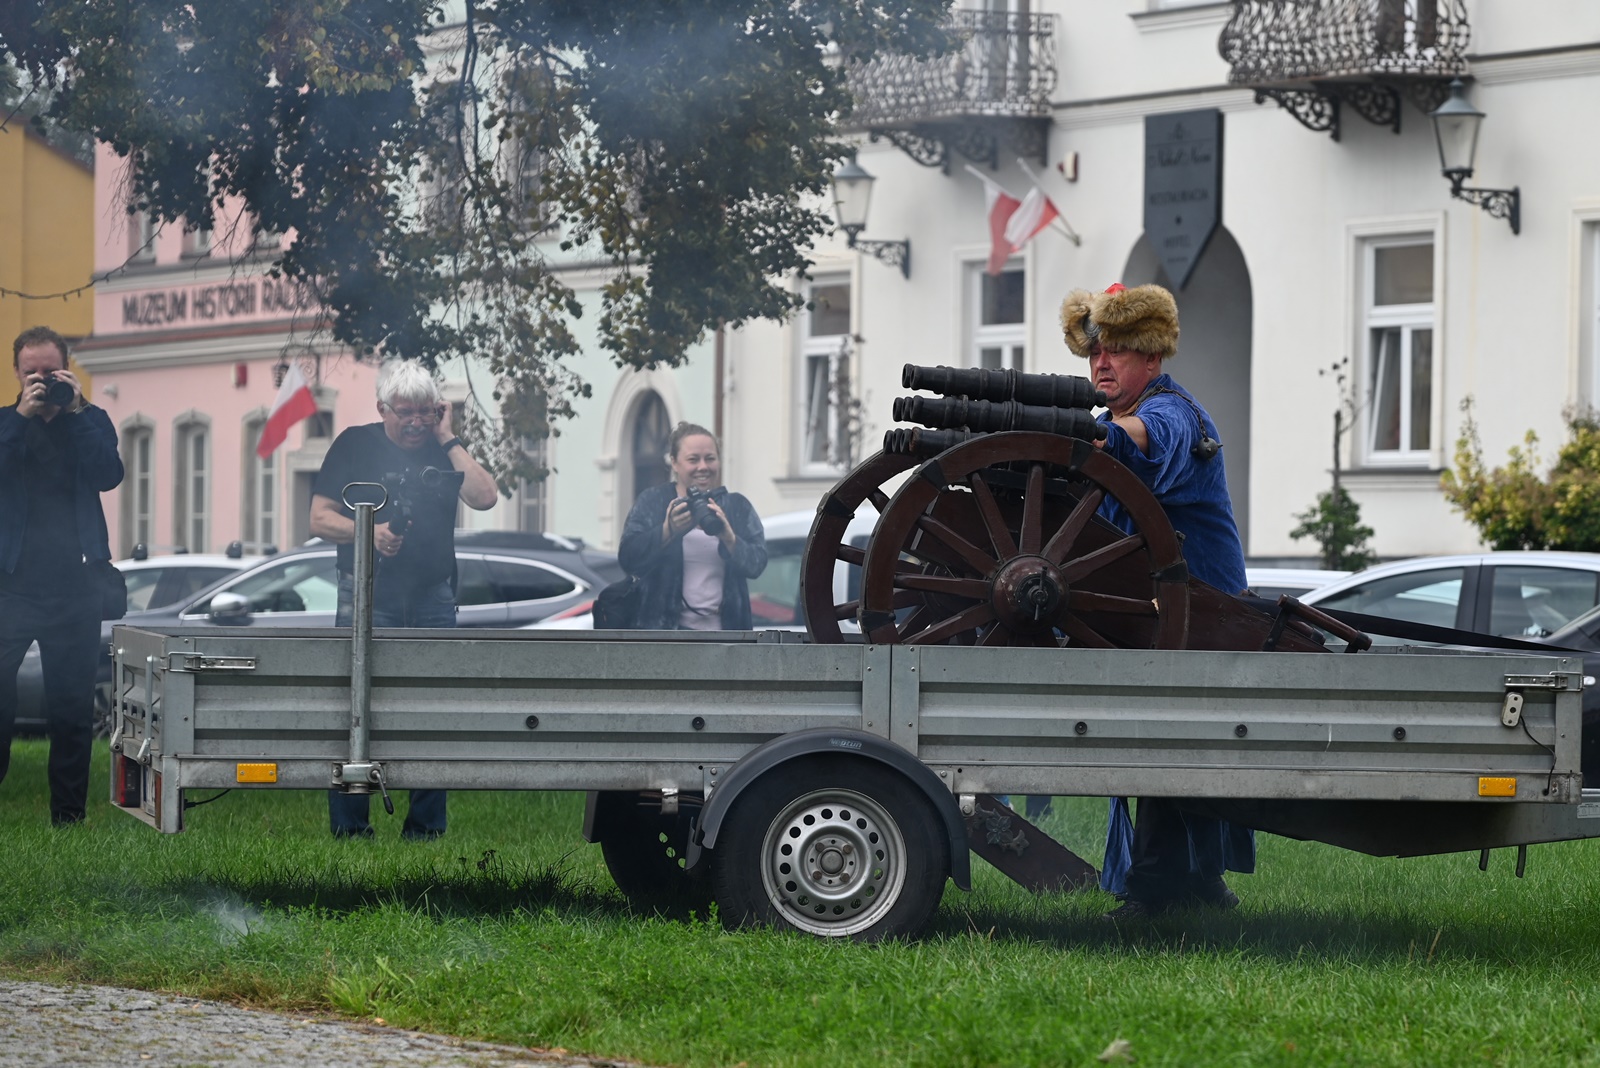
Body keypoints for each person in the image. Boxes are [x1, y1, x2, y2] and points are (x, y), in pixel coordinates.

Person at [1060, 282, 1253, 919]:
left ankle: (1152, 892)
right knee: (1169, 737)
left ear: (1151, 356)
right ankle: (1198, 882)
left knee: (1168, 740)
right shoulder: (1107, 424)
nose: (1102, 362)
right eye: (1095, 352)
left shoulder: (1173, 414)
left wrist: (1103, 438)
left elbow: (1147, 440)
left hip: (1206, 612)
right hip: (1161, 613)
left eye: (1116, 350)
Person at [309, 359, 497, 839]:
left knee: (434, 710)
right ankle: (351, 829)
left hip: (433, 596)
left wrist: (448, 437)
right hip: (367, 594)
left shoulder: (444, 448)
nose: (416, 423)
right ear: (383, 409)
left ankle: (425, 829)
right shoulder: (354, 444)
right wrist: (368, 532)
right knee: (355, 709)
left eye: (425, 413)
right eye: (405, 412)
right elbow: (319, 518)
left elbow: (485, 497)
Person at [0, 326, 124, 826]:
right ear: (16, 373)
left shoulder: (90, 421)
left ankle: (68, 817)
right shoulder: (5, 423)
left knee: (72, 710)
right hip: (9, 587)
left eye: (49, 371)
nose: (41, 380)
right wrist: (21, 419)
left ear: (67, 369)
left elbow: (108, 475)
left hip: (75, 586)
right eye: (31, 372)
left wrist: (74, 413)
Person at [618, 423, 767, 631]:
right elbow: (628, 558)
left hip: (728, 637)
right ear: (674, 462)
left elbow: (757, 565)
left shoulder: (737, 506)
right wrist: (667, 531)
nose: (703, 467)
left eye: (710, 458)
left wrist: (729, 538)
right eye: (693, 459)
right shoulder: (653, 502)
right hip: (665, 636)